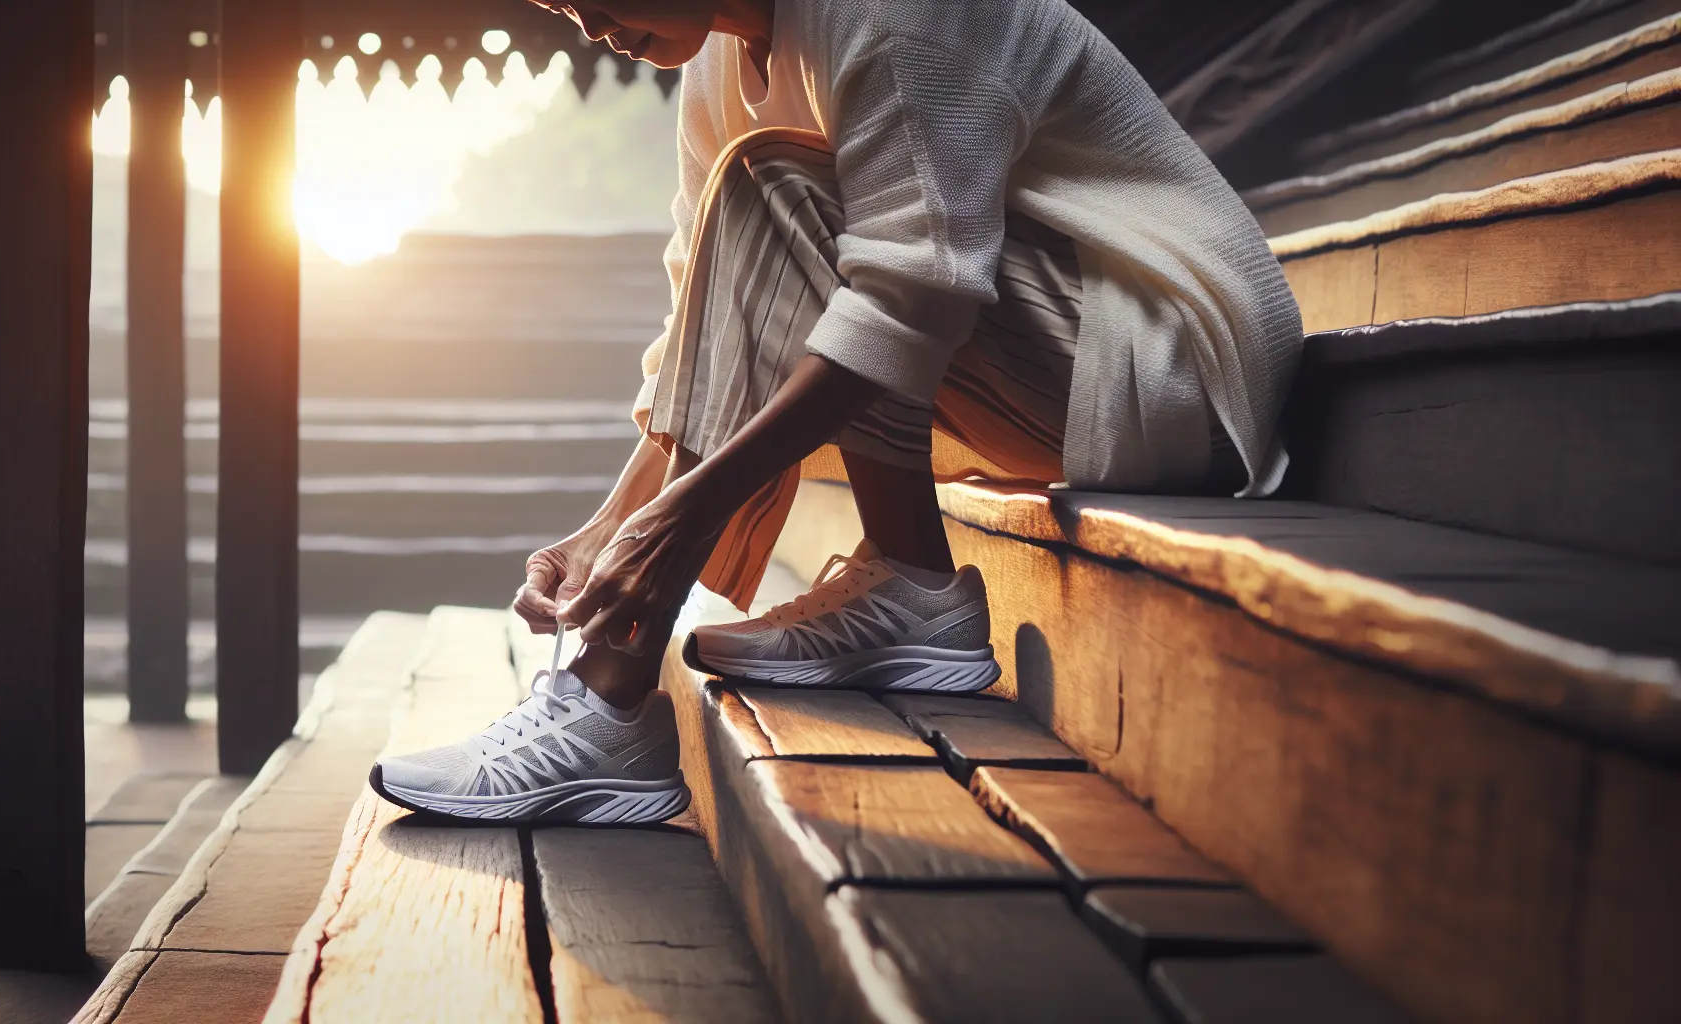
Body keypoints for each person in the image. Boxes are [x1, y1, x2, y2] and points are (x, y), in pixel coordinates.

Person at [370, 0, 1302, 824]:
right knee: (761, 189)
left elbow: (915, 291)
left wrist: (678, 522)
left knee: (782, 185)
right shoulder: (714, 68)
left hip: (1177, 367)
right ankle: (872, 587)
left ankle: (618, 689)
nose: (583, 21)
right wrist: (611, 526)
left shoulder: (898, 14)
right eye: (555, 4)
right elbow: (703, 307)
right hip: (1062, 371)